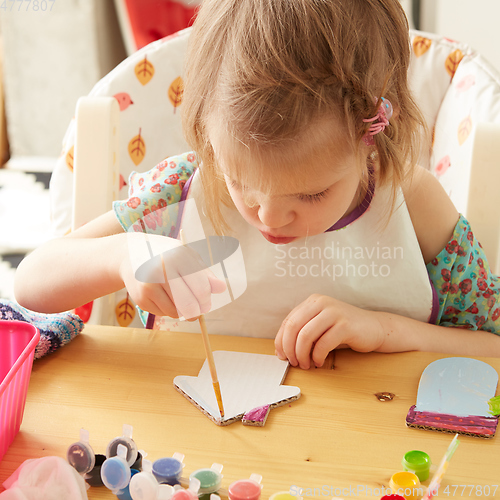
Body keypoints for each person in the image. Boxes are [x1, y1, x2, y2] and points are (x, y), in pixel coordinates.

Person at [15, 0, 500, 368]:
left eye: (311, 193)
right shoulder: (181, 191)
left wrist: (385, 330)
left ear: (370, 137)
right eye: (241, 181)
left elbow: (491, 347)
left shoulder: (412, 203)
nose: (268, 215)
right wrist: (119, 255)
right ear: (208, 133)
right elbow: (32, 284)